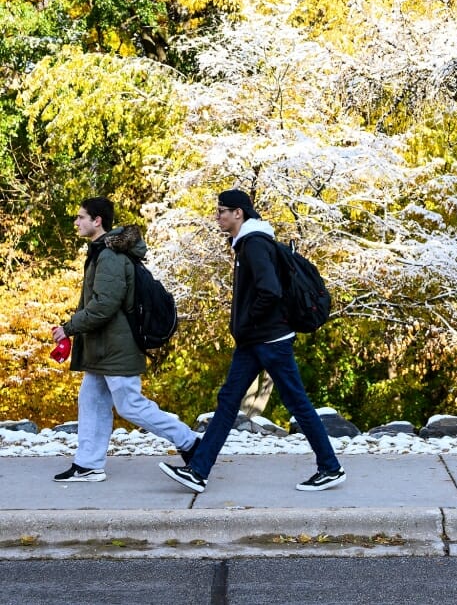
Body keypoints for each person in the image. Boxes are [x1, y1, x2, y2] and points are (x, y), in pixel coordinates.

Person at [159, 189, 345, 492]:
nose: (217, 217)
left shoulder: (254, 244)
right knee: (228, 402)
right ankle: (199, 470)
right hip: (254, 340)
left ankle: (330, 467)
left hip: (270, 340)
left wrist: (248, 321)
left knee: (297, 402)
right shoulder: (247, 244)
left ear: (239, 214)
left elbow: (270, 291)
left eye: (222, 211)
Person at [52, 197, 199, 482]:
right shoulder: (101, 252)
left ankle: (190, 442)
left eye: (81, 217)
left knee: (130, 404)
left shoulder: (109, 256)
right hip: (103, 347)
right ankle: (88, 465)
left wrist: (69, 327)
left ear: (98, 221)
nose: (77, 222)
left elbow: (104, 305)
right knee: (92, 401)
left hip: (117, 347)